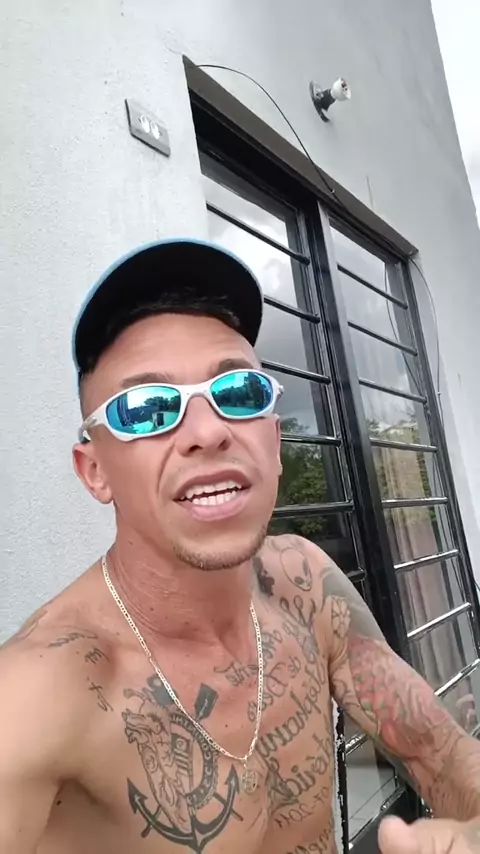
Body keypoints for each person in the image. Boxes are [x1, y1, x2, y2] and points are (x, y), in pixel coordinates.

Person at [1, 238, 480, 854]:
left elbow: (439, 752)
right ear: (94, 471)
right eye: (145, 408)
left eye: (238, 392)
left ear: (274, 442)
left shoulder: (303, 584)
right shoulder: (42, 693)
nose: (207, 431)